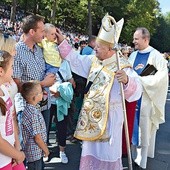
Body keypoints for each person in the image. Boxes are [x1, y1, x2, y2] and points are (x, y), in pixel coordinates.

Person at [56, 14, 142, 170]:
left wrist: (127, 82)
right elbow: (75, 60)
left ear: (110, 49)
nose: (95, 48)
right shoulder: (93, 60)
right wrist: (62, 41)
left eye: (99, 47)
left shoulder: (122, 65)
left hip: (110, 119)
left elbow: (137, 91)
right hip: (91, 119)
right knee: (90, 152)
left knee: (107, 154)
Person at [128, 27, 168, 169]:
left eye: (136, 39)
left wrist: (141, 81)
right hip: (132, 100)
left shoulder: (156, 56)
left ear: (145, 39)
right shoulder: (132, 56)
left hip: (146, 101)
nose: (134, 42)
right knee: (132, 131)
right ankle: (132, 159)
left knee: (143, 133)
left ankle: (141, 163)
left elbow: (162, 79)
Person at [12, 15, 56, 144]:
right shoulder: (17, 51)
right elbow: (18, 84)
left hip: (44, 105)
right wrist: (43, 84)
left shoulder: (40, 50)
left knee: (42, 145)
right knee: (29, 147)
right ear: (32, 32)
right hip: (28, 109)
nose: (44, 34)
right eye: (42, 31)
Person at [0, 50, 25, 170]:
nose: (13, 71)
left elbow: (11, 118)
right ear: (1, 71)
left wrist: (17, 145)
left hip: (12, 154)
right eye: (11, 67)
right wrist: (18, 154)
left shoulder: (4, 90)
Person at [49, 59, 75, 164]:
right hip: (47, 100)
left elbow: (70, 79)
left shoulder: (65, 62)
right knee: (45, 127)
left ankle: (62, 151)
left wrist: (65, 90)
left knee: (62, 126)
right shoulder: (45, 60)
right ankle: (45, 151)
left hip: (61, 100)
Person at [20, 81, 49, 170]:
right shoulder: (32, 113)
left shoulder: (31, 109)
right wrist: (46, 150)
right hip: (34, 154)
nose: (43, 93)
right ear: (34, 97)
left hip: (35, 153)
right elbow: (37, 137)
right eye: (41, 92)